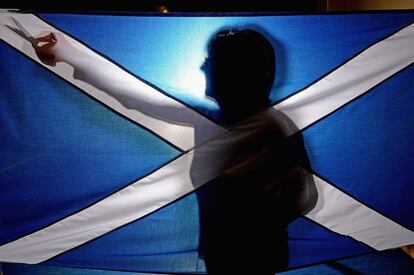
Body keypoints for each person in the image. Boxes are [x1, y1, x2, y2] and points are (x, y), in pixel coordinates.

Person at [34, 27, 316, 275]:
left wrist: (249, 220)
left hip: (250, 262)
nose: (202, 68)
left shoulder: (270, 128)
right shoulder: (215, 122)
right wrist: (66, 53)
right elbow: (137, 96)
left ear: (234, 70)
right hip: (225, 258)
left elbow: (303, 196)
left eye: (210, 61)